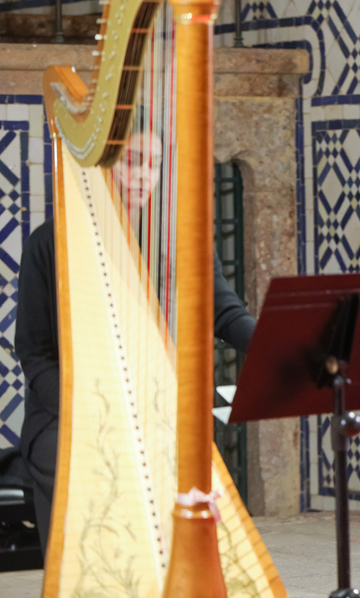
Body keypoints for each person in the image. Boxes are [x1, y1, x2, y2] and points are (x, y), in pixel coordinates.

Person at [13, 130, 256, 556]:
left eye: (154, 163)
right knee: (92, 467)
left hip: (158, 408)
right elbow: (35, 356)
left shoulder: (182, 240)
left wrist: (275, 346)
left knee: (188, 468)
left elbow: (226, 312)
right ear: (102, 165)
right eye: (132, 161)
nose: (144, 175)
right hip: (66, 415)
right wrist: (91, 411)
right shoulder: (49, 244)